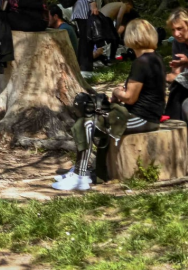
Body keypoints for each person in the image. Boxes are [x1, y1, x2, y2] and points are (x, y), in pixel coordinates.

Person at [56, 19, 165, 191]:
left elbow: (130, 98)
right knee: (94, 119)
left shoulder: (142, 62)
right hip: (143, 114)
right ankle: (94, 172)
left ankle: (80, 174)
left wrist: (116, 92)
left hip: (142, 118)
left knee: (88, 123)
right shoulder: (155, 58)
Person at [163, 8, 188, 122]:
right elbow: (176, 74)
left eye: (179, 29)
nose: (176, 34)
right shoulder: (177, 43)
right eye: (173, 30)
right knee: (177, 89)